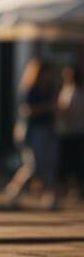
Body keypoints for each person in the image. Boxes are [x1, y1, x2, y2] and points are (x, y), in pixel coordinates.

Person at [6, 58, 60, 209]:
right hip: (32, 130)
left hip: (49, 130)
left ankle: (49, 198)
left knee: (49, 165)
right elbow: (26, 110)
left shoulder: (51, 88)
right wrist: (47, 107)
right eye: (46, 73)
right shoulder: (30, 89)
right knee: (33, 165)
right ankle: (14, 191)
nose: (48, 76)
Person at [56, 65, 84, 201]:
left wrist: (58, 109)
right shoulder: (66, 89)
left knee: (73, 163)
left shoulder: (77, 92)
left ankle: (75, 190)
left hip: (74, 132)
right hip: (65, 131)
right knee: (67, 163)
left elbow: (73, 112)